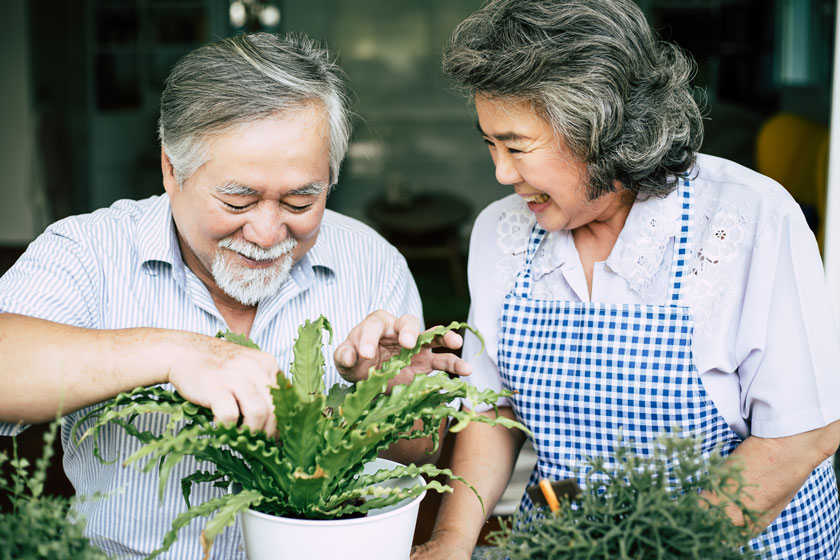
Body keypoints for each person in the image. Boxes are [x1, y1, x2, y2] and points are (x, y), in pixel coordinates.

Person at [0, 32, 469, 559]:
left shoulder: (372, 262)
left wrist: (386, 398)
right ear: (171, 169)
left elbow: (420, 450)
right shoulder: (89, 251)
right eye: (237, 200)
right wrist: (179, 353)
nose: (267, 234)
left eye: (299, 201)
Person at [412, 1, 840, 558]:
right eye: (490, 143)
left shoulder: (747, 218)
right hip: (566, 540)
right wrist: (449, 540)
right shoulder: (503, 232)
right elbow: (493, 410)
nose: (500, 172)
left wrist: (659, 549)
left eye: (516, 147)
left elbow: (802, 434)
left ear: (601, 130)